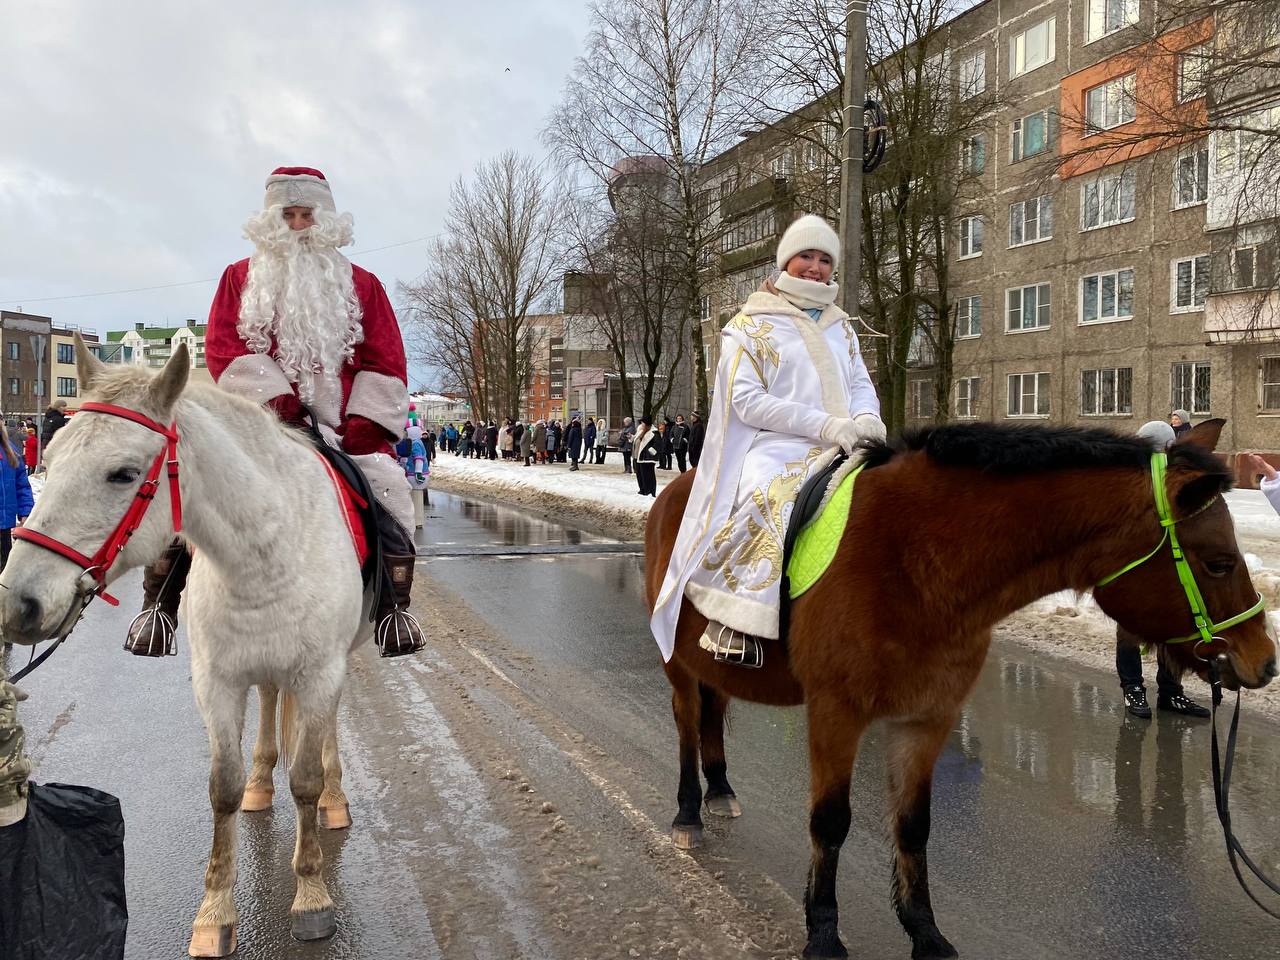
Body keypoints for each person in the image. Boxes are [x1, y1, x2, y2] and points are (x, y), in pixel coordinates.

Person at [124, 166, 424, 659]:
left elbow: (386, 356)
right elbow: (224, 345)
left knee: (389, 491)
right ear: (271, 219)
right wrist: (276, 406)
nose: (299, 225)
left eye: (308, 215)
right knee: (189, 486)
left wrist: (365, 427)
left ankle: (395, 610)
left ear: (325, 219)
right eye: (289, 215)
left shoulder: (364, 285)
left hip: (345, 428)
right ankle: (158, 608)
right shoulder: (238, 278)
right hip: (258, 424)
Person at [651, 214, 883, 669]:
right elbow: (745, 400)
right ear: (786, 262)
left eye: (824, 259)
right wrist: (824, 426)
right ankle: (734, 620)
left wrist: (868, 419)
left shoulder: (842, 327)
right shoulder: (750, 325)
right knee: (770, 496)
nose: (815, 268)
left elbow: (859, 382)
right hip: (776, 446)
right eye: (806, 257)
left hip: (848, 441)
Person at [1115, 420, 1211, 719]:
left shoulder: (1176, 476)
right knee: (1133, 631)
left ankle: (1165, 693)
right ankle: (1137, 689)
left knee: (1168, 630)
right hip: (1136, 569)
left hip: (1170, 569)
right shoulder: (1127, 480)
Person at [0, 422, 33, 572]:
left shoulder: (10, 451)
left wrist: (25, 511)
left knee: (4, 570)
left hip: (4, 526)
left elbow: (22, 485)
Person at [633, 415, 661, 496]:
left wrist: (651, 451)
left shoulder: (654, 432)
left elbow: (658, 444)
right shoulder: (642, 431)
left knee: (649, 475)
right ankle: (643, 490)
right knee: (641, 475)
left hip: (649, 458)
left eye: (642, 423)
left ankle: (650, 492)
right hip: (641, 457)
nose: (641, 424)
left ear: (646, 423)